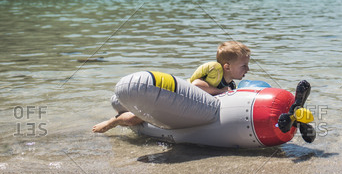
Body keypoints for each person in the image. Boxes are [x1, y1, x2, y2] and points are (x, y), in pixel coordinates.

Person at [92, 41, 251, 133]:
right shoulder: (216, 72)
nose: (247, 69)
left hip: (193, 108)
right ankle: (113, 122)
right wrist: (221, 91)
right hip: (179, 99)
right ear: (227, 67)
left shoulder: (230, 83)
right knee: (137, 118)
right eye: (244, 65)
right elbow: (197, 86)